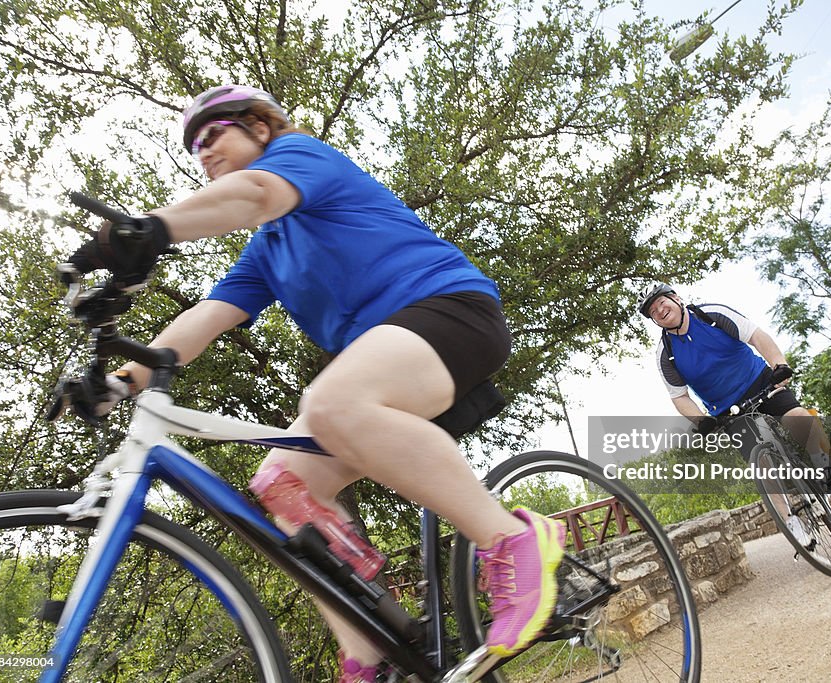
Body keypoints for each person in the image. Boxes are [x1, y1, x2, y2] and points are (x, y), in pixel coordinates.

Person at [57, 85, 566, 682]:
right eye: (193, 146)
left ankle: (513, 540)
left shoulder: (302, 158)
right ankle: (373, 654)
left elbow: (252, 194)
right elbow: (205, 318)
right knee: (283, 480)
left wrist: (151, 230)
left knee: (329, 403)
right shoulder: (268, 250)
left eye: (211, 133)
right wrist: (119, 383)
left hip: (450, 313)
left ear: (259, 126)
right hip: (390, 360)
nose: (202, 151)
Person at [635, 282, 831, 496]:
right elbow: (679, 396)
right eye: (653, 311)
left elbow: (756, 336)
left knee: (797, 417)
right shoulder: (665, 354)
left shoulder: (712, 314)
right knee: (760, 467)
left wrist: (779, 364)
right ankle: (790, 522)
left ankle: (824, 463)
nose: (659, 310)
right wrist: (701, 420)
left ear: (676, 298)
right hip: (727, 409)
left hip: (759, 381)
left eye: (661, 302)